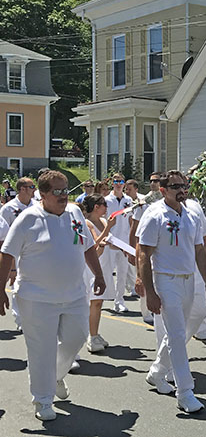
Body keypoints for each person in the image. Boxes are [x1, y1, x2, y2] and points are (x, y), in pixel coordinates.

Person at [0, 170, 105, 421]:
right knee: (41, 350)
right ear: (43, 194)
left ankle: (56, 375)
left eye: (66, 190)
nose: (63, 195)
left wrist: (99, 276)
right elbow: (7, 254)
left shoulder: (75, 212)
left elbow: (88, 246)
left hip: (75, 295)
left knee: (76, 339)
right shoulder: (27, 219)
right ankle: (42, 399)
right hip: (36, 298)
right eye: (56, 191)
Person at [138, 170, 206, 413]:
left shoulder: (191, 213)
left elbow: (200, 250)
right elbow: (143, 254)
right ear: (163, 190)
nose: (182, 190)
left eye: (184, 185)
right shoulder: (154, 215)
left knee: (178, 333)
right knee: (177, 334)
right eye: (175, 186)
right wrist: (149, 291)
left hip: (189, 279)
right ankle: (185, 391)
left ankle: (157, 372)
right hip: (165, 280)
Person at [82, 194, 117, 353]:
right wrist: (108, 228)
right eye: (104, 204)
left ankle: (94, 333)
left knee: (99, 301)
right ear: (96, 206)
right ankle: (91, 336)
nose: (106, 208)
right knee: (94, 301)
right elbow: (95, 243)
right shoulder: (87, 223)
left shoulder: (102, 221)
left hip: (105, 264)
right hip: (92, 267)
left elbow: (110, 241)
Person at [0, 176, 36, 331]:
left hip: (35, 251)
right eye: (31, 186)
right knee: (17, 285)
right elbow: (4, 237)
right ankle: (20, 319)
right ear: (22, 189)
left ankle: (33, 317)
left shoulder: (37, 206)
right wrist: (11, 265)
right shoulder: (8, 208)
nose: (34, 189)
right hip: (16, 251)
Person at [130, 171, 163, 325]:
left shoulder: (167, 199)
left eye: (156, 180)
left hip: (161, 244)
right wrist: (131, 249)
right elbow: (135, 227)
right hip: (145, 242)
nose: (153, 183)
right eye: (151, 180)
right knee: (144, 274)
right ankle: (146, 311)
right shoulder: (143, 202)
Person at [105, 173, 133, 313]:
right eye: (116, 181)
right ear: (112, 183)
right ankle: (98, 297)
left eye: (120, 181)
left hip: (124, 241)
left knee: (122, 273)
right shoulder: (106, 200)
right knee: (107, 271)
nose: (118, 184)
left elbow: (131, 220)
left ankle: (119, 301)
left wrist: (131, 241)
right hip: (110, 240)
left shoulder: (128, 200)